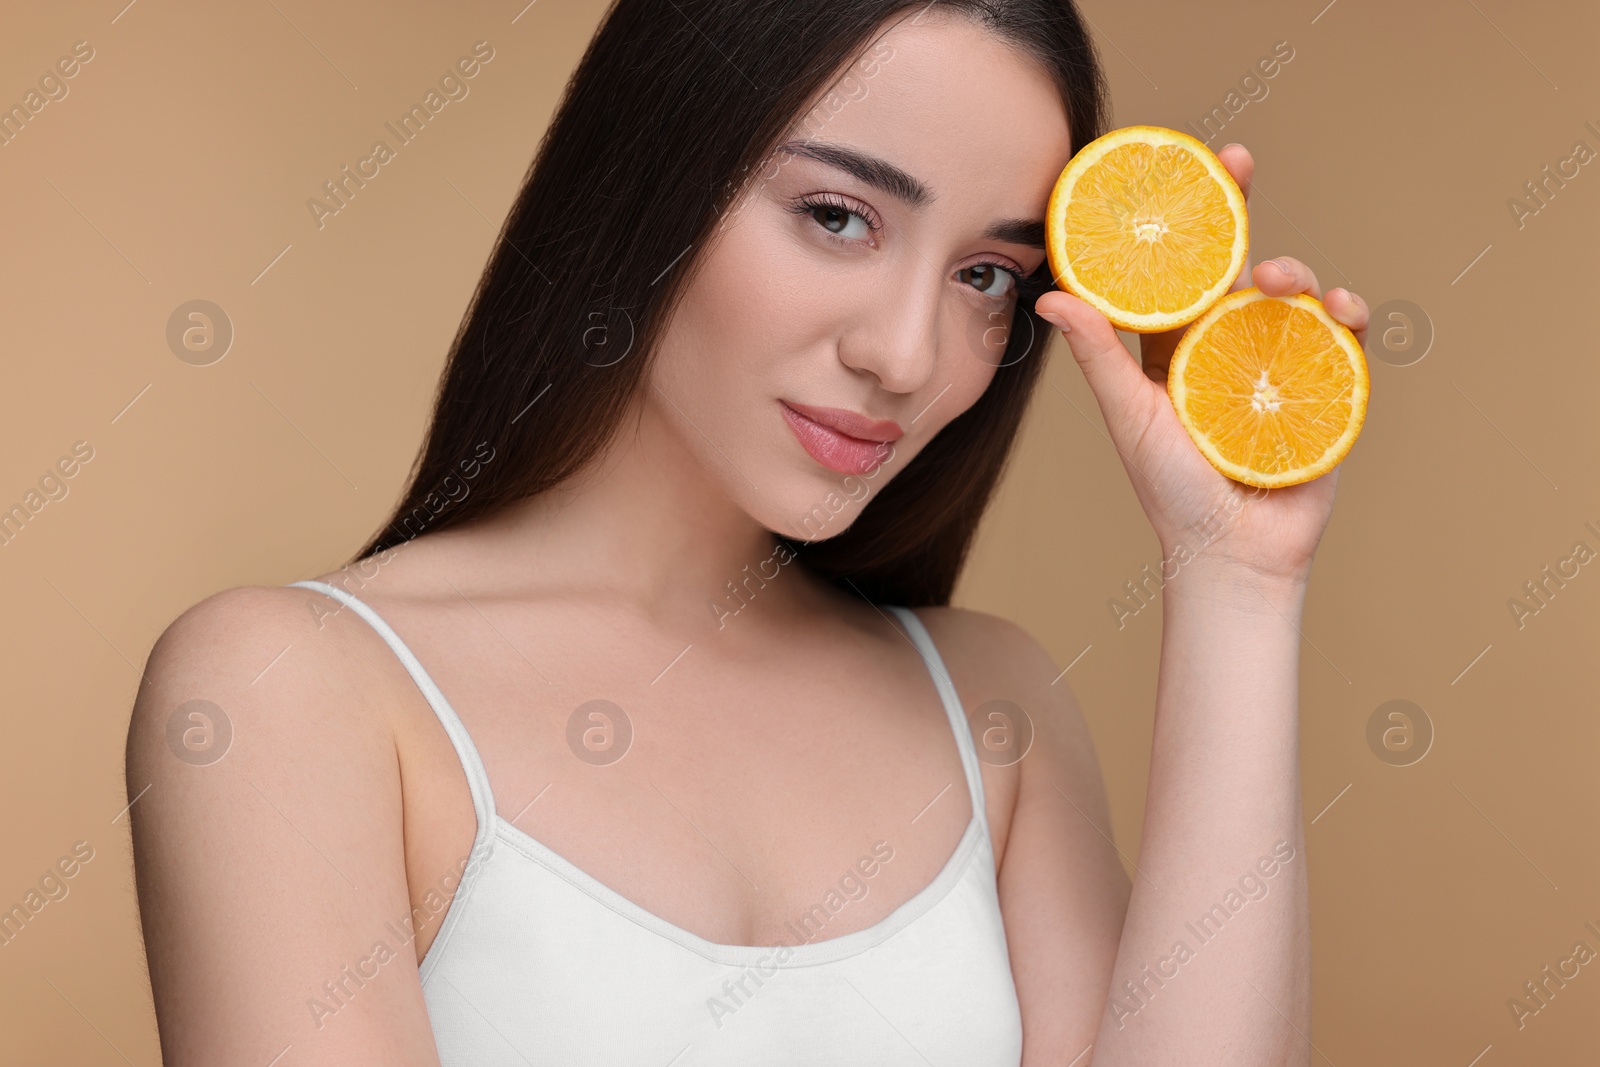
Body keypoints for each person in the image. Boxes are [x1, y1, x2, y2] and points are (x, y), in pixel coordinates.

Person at [125, 0, 1368, 1064]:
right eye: (837, 216)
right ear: (649, 179)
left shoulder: (994, 707)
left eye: (985, 273)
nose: (904, 353)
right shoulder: (290, 692)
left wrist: (1238, 582)